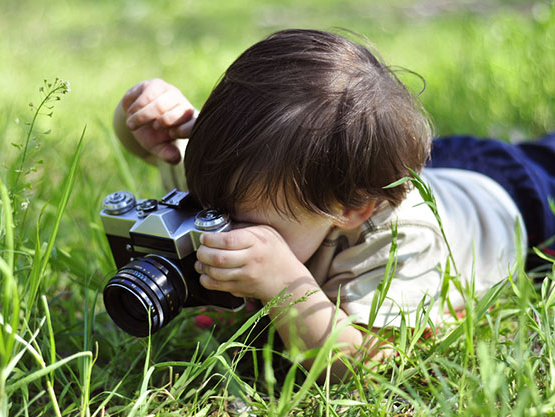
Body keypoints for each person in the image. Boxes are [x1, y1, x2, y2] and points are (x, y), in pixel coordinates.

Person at [112, 29, 555, 380]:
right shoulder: (231, 182)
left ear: (350, 210)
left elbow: (366, 361)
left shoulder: (398, 241)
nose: (220, 228)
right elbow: (154, 150)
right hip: (433, 165)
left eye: (251, 226)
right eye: (212, 210)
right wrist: (140, 119)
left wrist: (285, 284)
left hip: (516, 200)